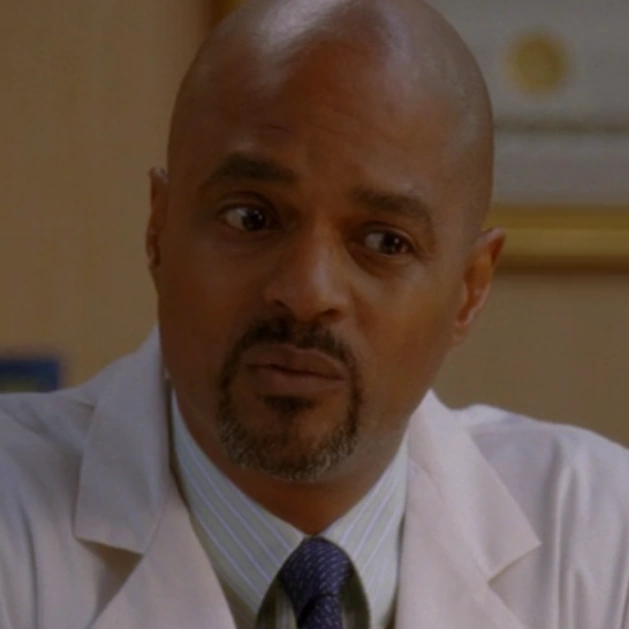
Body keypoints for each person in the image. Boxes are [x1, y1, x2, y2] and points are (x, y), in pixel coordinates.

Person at [1, 0, 628, 627]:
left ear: (470, 289)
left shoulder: (601, 539)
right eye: (251, 218)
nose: (306, 291)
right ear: (158, 232)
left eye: (384, 242)